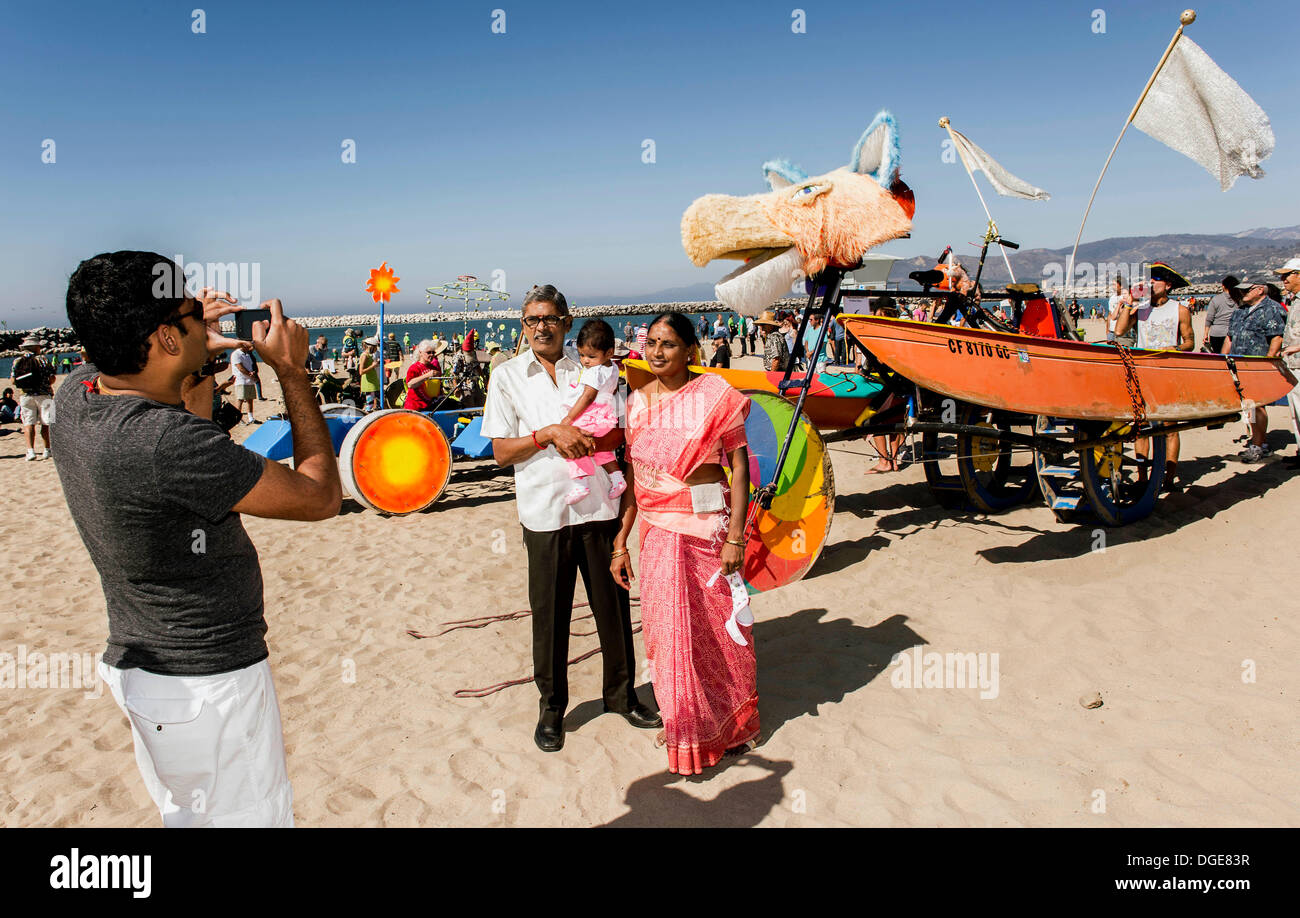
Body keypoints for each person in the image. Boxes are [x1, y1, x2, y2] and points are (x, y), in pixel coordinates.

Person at [53, 251, 340, 827]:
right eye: (191, 311)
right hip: (210, 683)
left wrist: (193, 344)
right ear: (162, 337)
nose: (202, 315)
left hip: (145, 670)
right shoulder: (167, 445)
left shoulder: (76, 398)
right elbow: (318, 496)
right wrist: (292, 372)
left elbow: (177, 402)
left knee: (187, 815)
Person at [480, 284, 659, 752]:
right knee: (550, 616)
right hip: (544, 514)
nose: (541, 327)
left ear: (565, 321)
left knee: (614, 609)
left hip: (599, 507)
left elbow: (620, 433)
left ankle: (620, 696)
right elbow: (500, 453)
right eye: (532, 319)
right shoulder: (506, 377)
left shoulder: (592, 369)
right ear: (524, 325)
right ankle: (552, 708)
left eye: (550, 319)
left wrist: (585, 441)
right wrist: (548, 435)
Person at [610, 312, 757, 774]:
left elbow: (740, 471)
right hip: (656, 532)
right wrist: (621, 540)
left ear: (691, 349)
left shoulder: (715, 398)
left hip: (705, 530)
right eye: (651, 342)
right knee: (667, 633)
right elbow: (636, 480)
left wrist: (736, 536)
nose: (656, 352)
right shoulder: (635, 403)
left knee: (714, 631)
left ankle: (731, 724)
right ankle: (685, 726)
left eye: (668, 344)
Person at [1114, 263, 1194, 490]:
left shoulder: (1180, 310)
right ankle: (1142, 477)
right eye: (1149, 279)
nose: (1150, 282)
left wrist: (1176, 348)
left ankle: (1168, 478)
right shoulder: (1141, 308)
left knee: (1170, 427)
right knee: (1142, 426)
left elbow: (1189, 342)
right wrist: (1130, 302)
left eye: (1155, 279)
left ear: (1167, 285)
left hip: (1168, 373)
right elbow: (1120, 331)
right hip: (1142, 372)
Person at [557, 320, 626, 505]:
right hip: (606, 415)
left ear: (609, 352)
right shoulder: (612, 368)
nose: (585, 360)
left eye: (591, 356)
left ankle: (581, 483)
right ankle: (618, 478)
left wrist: (570, 417)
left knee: (574, 444)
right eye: (581, 355)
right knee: (601, 449)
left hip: (590, 414)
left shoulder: (592, 372)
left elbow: (588, 396)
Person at [1224, 278, 1287, 464]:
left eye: (1247, 290)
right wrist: (1221, 360)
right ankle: (1258, 440)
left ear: (1260, 290)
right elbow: (1230, 337)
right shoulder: (1239, 312)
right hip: (1238, 365)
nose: (1243, 293)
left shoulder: (1272, 309)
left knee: (1258, 404)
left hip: (1258, 365)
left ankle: (1258, 445)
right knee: (1248, 405)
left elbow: (1277, 338)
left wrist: (1268, 361)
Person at [1271, 258, 1300, 469]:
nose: (1283, 279)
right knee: (1295, 413)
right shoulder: (1294, 300)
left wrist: (1296, 347)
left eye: (1287, 275)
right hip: (1292, 364)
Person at [12, 336, 55, 460]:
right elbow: (52, 378)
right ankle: (47, 449)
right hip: (44, 394)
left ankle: (30, 451)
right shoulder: (43, 360)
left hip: (25, 396)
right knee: (47, 423)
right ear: (37, 347)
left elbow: (13, 381)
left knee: (28, 423)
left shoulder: (17, 361)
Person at [1203, 275, 1242, 354]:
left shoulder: (1216, 299)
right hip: (1234, 332)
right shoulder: (1239, 299)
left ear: (1223, 286)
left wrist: (1205, 334)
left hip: (1217, 333)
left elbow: (1209, 318)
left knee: (1218, 357)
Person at [402, 339, 442, 411]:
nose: (432, 355)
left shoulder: (434, 368)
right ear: (420, 353)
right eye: (428, 352)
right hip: (415, 407)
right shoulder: (414, 367)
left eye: (433, 352)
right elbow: (410, 384)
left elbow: (438, 386)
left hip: (430, 405)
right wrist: (427, 376)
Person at [229, 344, 257, 424]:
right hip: (240, 380)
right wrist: (250, 374)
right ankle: (237, 419)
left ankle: (251, 418)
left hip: (249, 380)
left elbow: (250, 366)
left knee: (250, 399)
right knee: (240, 399)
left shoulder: (247, 354)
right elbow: (240, 367)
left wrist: (253, 373)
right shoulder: (235, 354)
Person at [358, 336, 381, 410]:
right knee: (370, 404)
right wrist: (372, 366)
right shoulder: (364, 356)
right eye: (375, 347)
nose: (376, 349)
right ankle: (367, 416)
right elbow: (361, 372)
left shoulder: (369, 355)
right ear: (371, 347)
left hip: (373, 382)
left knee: (378, 401)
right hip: (369, 383)